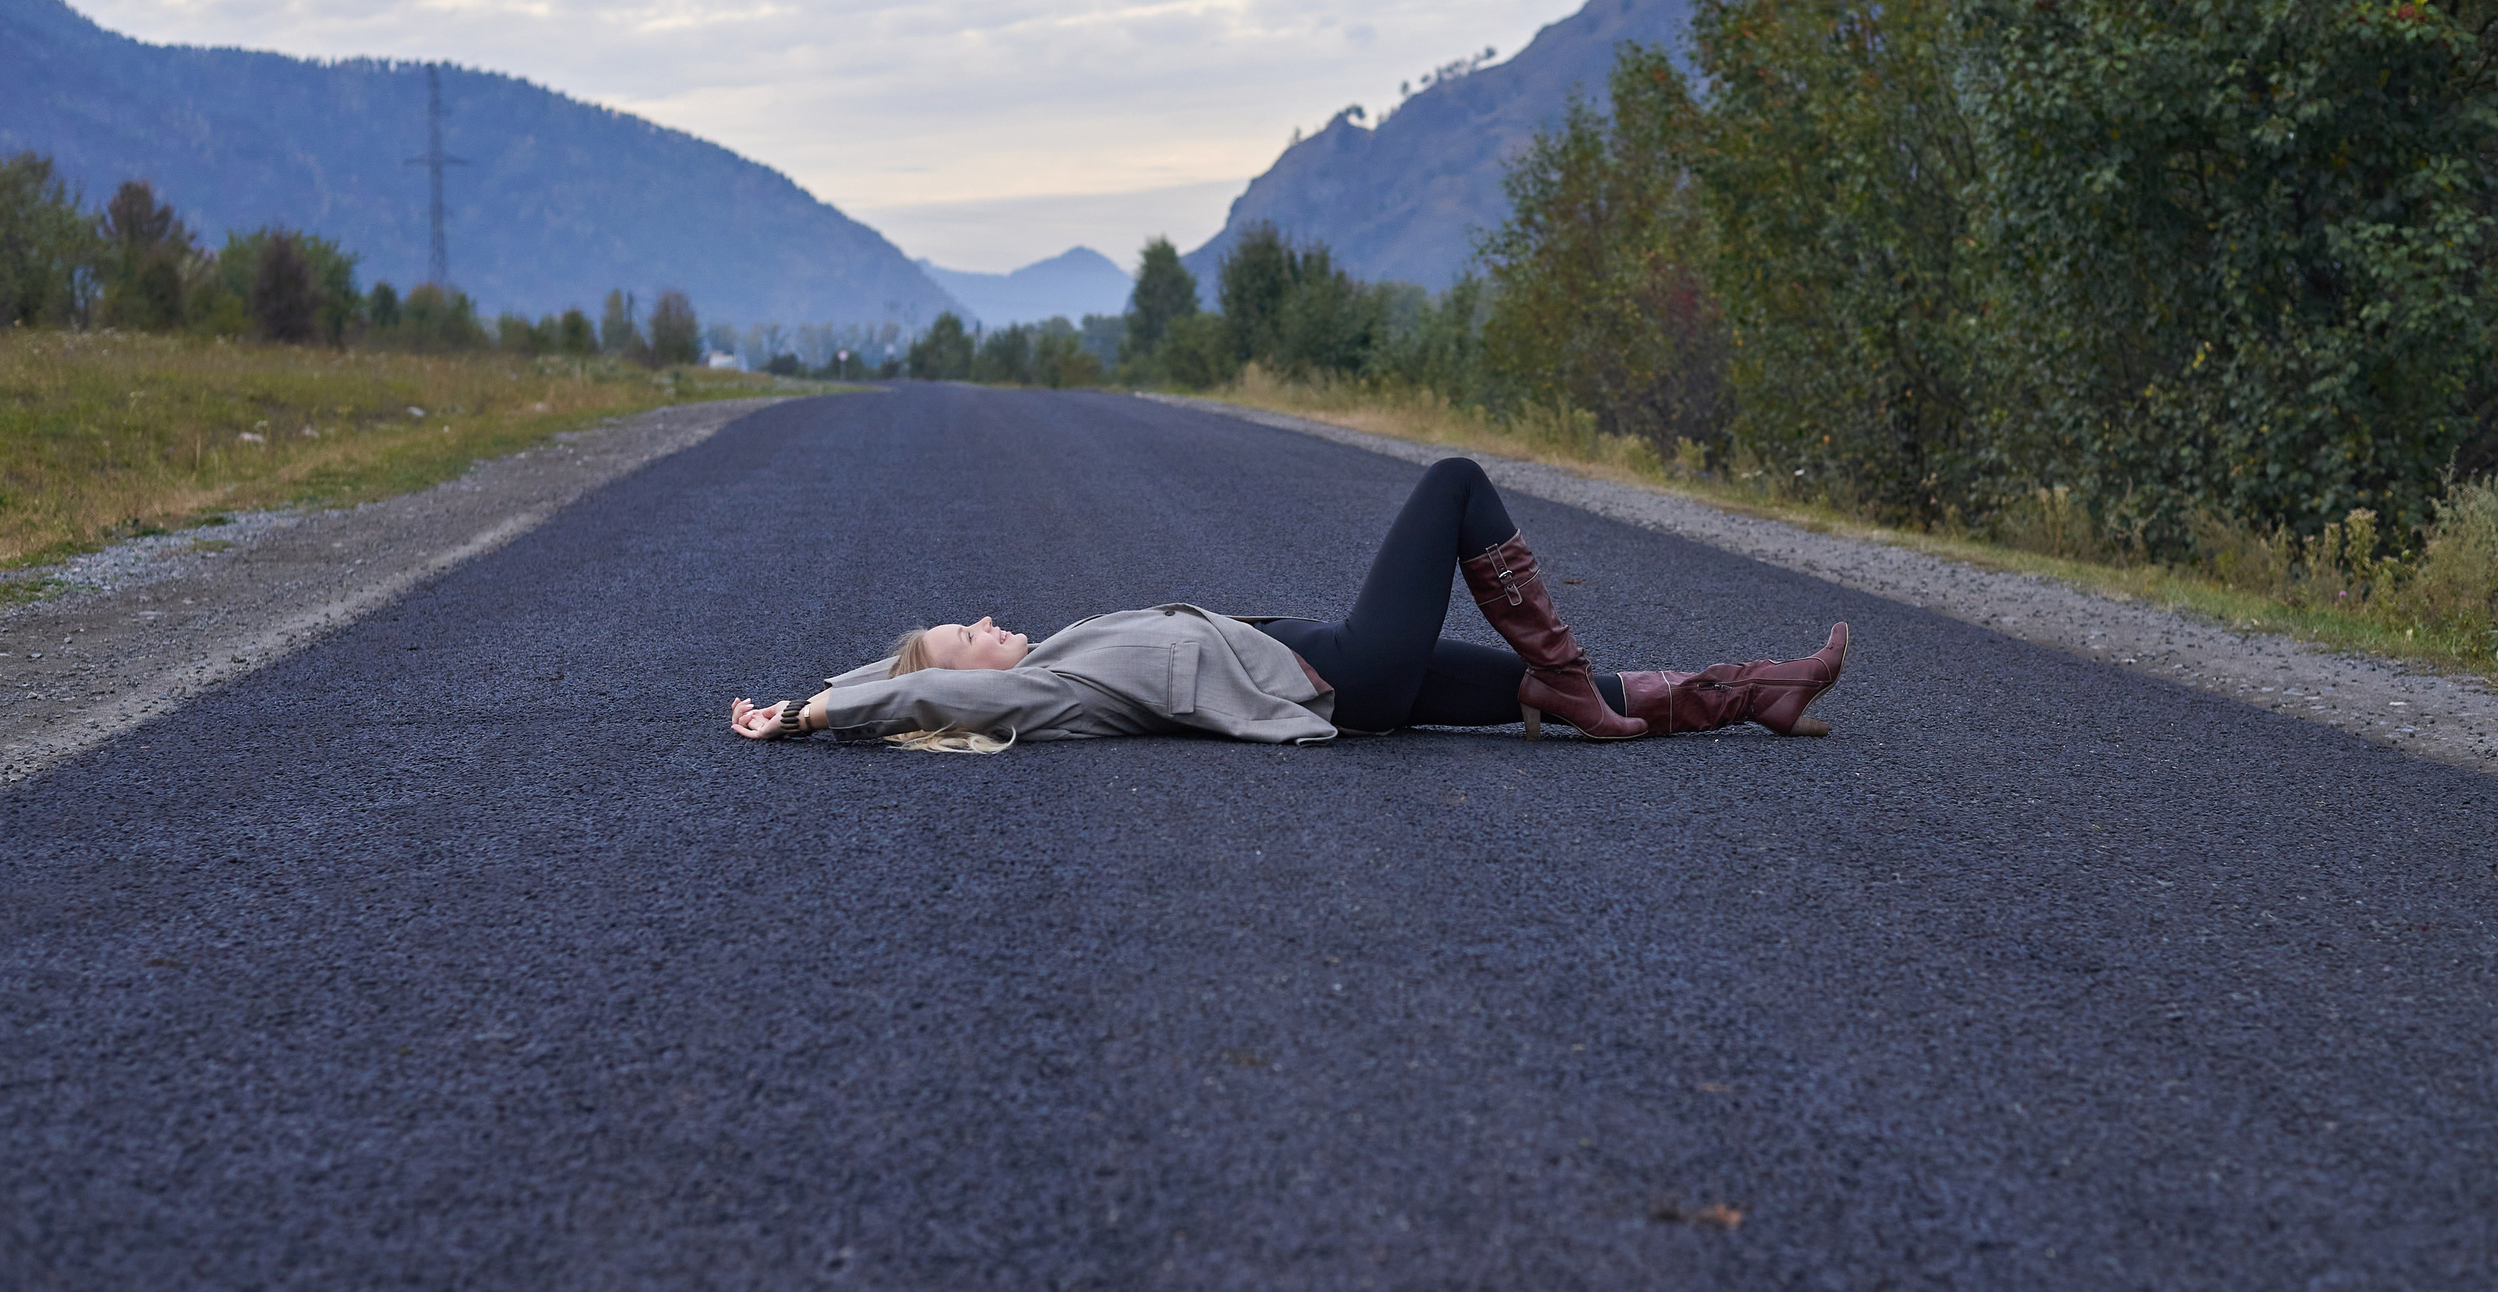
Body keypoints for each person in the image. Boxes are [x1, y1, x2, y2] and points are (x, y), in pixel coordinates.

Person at [730, 456, 1847, 751]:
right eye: (960, 636)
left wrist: (828, 691)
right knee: (1454, 479)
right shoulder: (1029, 696)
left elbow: (916, 687)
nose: (981, 620)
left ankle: (1760, 693)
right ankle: (1557, 666)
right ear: (957, 684)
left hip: (1343, 672)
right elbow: (910, 704)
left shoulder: (1052, 656)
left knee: (1561, 701)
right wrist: (813, 712)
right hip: (1346, 674)